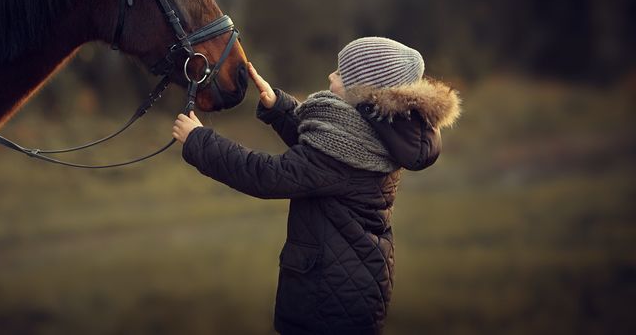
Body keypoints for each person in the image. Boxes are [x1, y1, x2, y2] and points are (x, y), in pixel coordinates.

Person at [172, 37, 461, 334]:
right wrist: (279, 107)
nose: (331, 76)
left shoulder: (346, 155)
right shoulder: (379, 133)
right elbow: (322, 146)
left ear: (362, 90)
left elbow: (268, 175)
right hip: (351, 286)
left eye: (341, 73)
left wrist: (199, 141)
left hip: (328, 300)